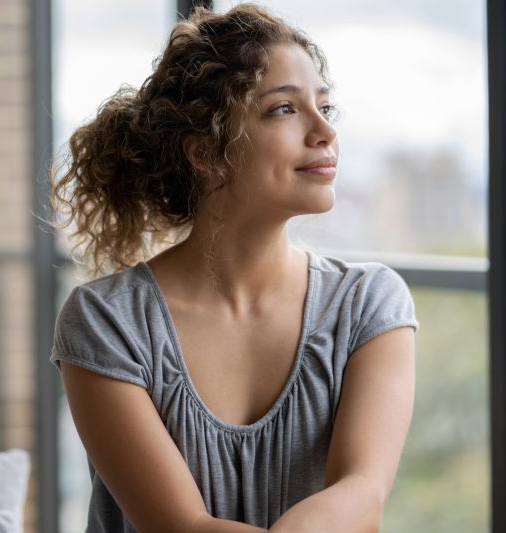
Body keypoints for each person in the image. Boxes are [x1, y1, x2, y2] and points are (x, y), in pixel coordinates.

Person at [48, 3, 419, 532]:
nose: (324, 133)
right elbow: (181, 526)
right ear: (205, 152)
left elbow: (362, 494)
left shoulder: (369, 305)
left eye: (325, 107)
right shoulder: (106, 321)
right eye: (284, 110)